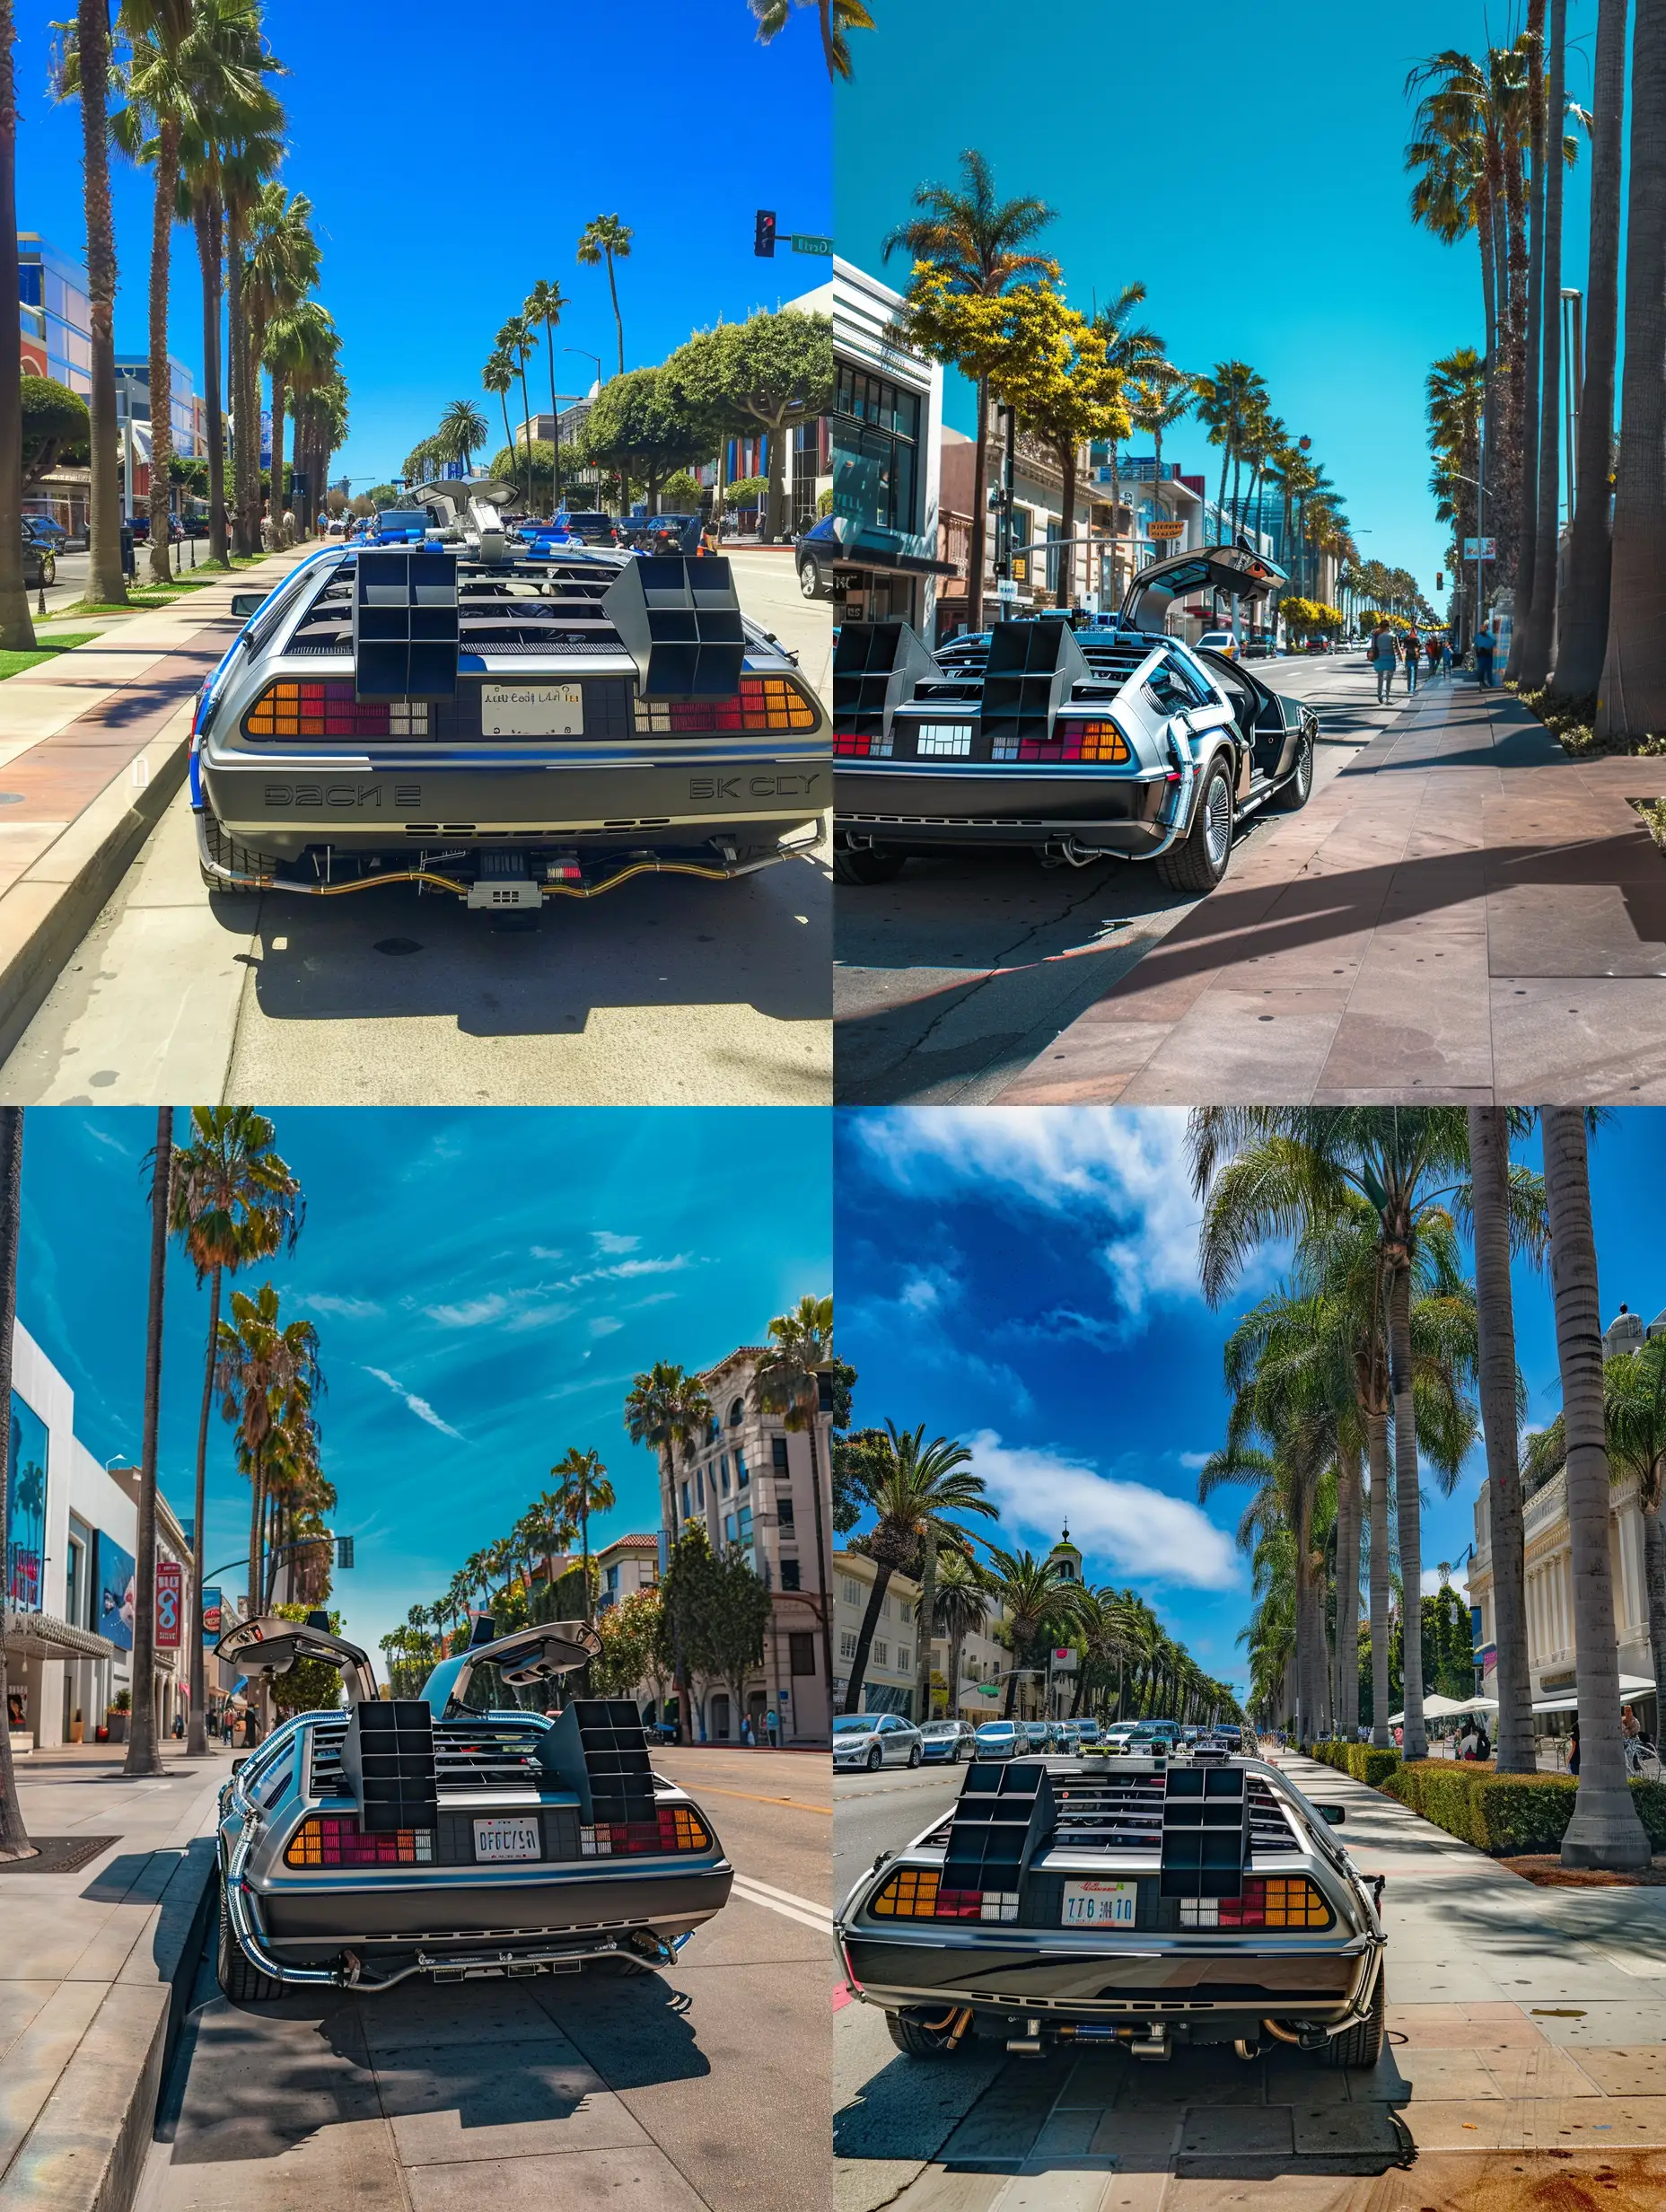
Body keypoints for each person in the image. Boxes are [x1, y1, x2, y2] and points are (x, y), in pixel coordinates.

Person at [1370, 619, 1398, 705]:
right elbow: (1395, 647)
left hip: (1379, 657)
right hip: (1390, 657)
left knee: (1380, 677)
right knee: (1389, 678)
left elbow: (1373, 646)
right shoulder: (1392, 635)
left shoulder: (1375, 634)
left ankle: (1380, 695)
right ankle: (1387, 696)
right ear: (1388, 626)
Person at [1474, 620, 1496, 688]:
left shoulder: (1489, 634)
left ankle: (1489, 682)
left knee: (1487, 669)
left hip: (1487, 655)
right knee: (1483, 669)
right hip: (1483, 655)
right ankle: (1483, 682)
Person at [1403, 628, 1421, 694]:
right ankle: (1412, 688)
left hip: (1408, 658)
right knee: (1413, 674)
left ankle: (1409, 688)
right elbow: (1418, 648)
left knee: (1409, 674)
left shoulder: (1405, 640)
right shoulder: (1415, 640)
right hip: (1414, 658)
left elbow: (1404, 649)